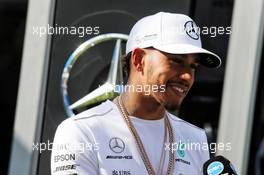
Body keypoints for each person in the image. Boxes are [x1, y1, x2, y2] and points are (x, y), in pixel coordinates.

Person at [51, 12, 221, 175]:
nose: (187, 76)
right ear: (139, 60)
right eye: (176, 61)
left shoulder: (195, 139)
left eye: (193, 66)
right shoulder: (81, 131)